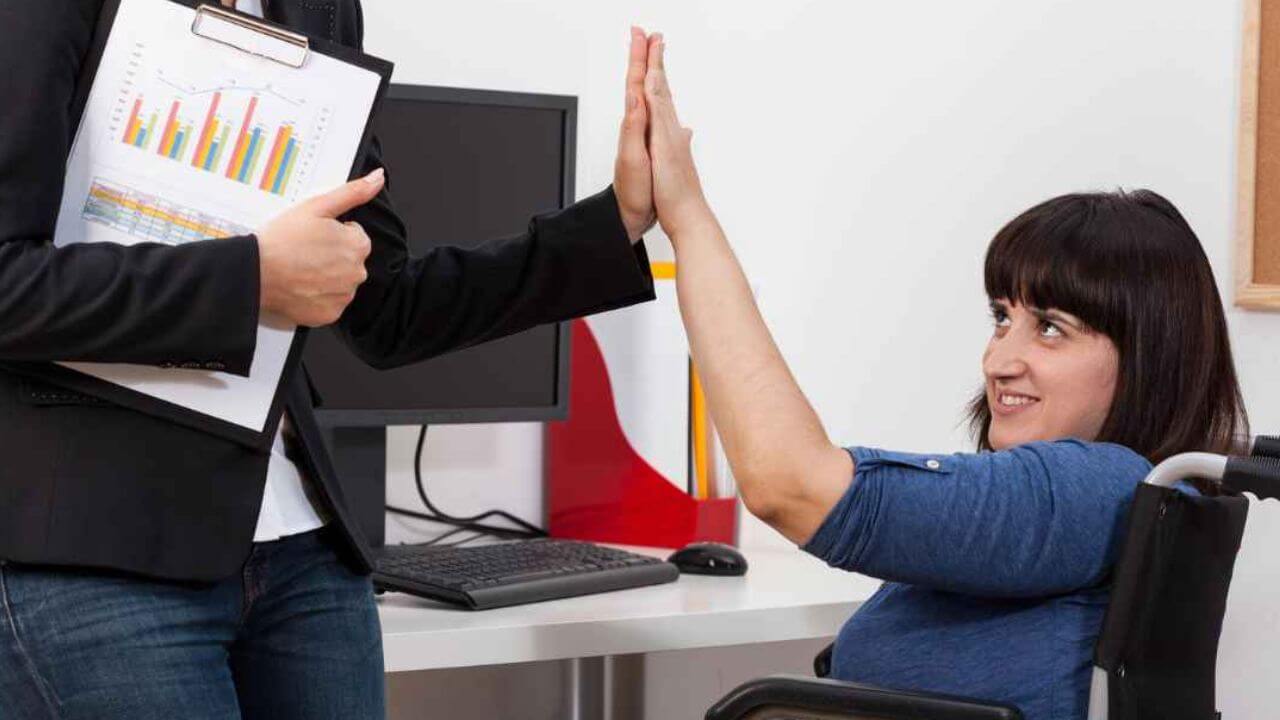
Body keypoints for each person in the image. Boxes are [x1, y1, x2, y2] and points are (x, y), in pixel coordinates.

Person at [0, 1, 663, 717]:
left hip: (307, 555)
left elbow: (388, 310)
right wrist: (251, 278)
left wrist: (617, 219)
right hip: (99, 558)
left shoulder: (319, 6)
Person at [638, 35, 1247, 719]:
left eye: (1050, 327)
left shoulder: (1089, 491)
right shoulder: (1126, 498)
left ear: (1147, 356)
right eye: (1001, 318)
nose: (999, 359)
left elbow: (788, 484)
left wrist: (686, 217)